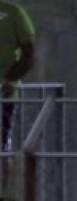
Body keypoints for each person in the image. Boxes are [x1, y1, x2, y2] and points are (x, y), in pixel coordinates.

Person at [0, 0, 35, 152]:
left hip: (3, 92)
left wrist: (10, 79)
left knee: (2, 145)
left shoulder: (13, 12)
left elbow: (29, 53)